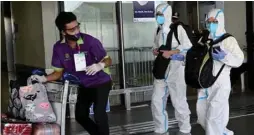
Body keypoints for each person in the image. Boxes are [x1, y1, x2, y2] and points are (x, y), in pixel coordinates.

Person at [31, 12, 112, 135]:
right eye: (72, 29)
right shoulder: (58, 48)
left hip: (101, 82)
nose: (76, 31)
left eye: (77, 27)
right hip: (84, 85)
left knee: (99, 114)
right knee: (80, 115)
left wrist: (100, 65)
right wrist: (43, 79)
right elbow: (58, 73)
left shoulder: (90, 41)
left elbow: (108, 60)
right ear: (63, 32)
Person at [196, 9, 244, 135]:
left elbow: (239, 59)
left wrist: (224, 57)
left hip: (220, 83)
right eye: (209, 21)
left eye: (215, 21)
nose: (211, 24)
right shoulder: (204, 39)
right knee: (202, 117)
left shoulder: (228, 40)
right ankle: (223, 132)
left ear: (221, 21)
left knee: (213, 117)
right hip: (205, 83)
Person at [151, 3, 192, 135]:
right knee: (157, 101)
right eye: (157, 15)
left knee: (179, 101)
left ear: (167, 14)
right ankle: (160, 128)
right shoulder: (158, 30)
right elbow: (154, 46)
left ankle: (185, 129)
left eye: (161, 15)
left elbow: (187, 45)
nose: (159, 17)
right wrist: (156, 51)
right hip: (162, 69)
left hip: (176, 70)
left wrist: (172, 52)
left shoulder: (178, 29)